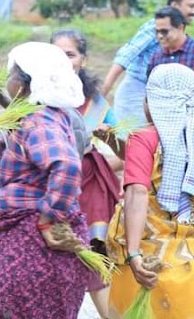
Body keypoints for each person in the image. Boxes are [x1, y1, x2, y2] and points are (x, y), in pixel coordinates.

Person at [0, 42, 90, 318]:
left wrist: (49, 219)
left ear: (22, 85)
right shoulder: (41, 117)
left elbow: (67, 166)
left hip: (32, 242)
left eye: (11, 75)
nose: (7, 81)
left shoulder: (39, 120)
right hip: (30, 240)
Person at [106, 63, 194, 318]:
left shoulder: (144, 138)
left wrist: (133, 253)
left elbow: (137, 192)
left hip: (149, 254)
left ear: (150, 103)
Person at [51, 29, 124, 318]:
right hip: (48, 188)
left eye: (69, 54)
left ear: (83, 59)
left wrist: (108, 138)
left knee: (94, 262)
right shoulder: (34, 97)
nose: (63, 61)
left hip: (87, 186)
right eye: (56, 55)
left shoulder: (94, 103)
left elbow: (126, 153)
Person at [102, 0, 194, 126]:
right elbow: (126, 55)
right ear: (175, 5)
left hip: (163, 98)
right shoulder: (155, 27)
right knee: (134, 141)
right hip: (136, 93)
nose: (193, 11)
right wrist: (102, 92)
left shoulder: (184, 41)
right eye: (191, 6)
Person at [147, 6, 194, 75]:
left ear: (180, 28)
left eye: (164, 31)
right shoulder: (156, 57)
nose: (160, 36)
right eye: (157, 31)